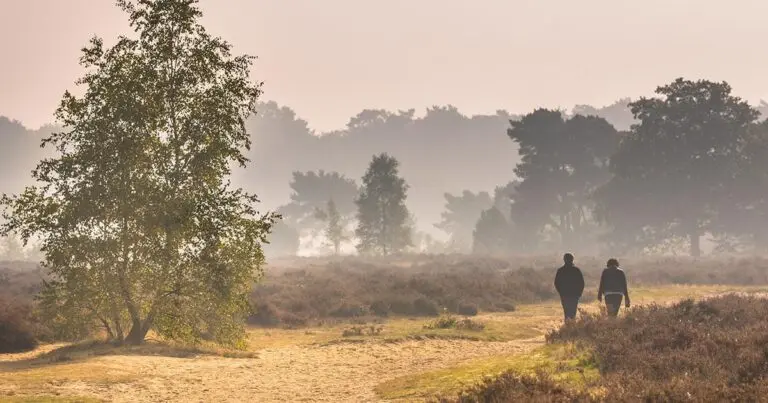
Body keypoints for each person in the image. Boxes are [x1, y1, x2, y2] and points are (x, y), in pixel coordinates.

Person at [554, 253, 584, 321]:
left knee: (566, 312)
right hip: (574, 295)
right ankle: (572, 328)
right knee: (573, 312)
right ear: (572, 260)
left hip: (564, 295)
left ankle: (567, 327)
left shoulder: (560, 270)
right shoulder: (576, 270)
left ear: (564, 260)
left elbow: (556, 283)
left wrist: (561, 292)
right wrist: (579, 293)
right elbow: (581, 283)